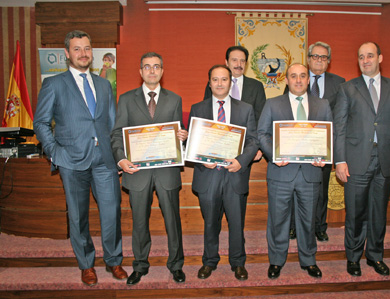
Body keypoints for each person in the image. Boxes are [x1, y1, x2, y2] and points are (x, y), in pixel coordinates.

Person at [33, 30, 127, 286]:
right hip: (71, 161)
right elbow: (40, 123)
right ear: (67, 53)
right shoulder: (54, 84)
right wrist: (54, 152)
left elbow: (112, 124)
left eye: (87, 48)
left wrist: (117, 156)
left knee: (111, 213)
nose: (83, 53)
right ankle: (86, 264)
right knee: (78, 216)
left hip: (104, 161)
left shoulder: (104, 84)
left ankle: (113, 260)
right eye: (77, 49)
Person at [333, 42, 390, 277]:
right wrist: (340, 160)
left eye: (370, 56)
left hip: (386, 159)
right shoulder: (347, 89)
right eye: (361, 57)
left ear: (380, 57)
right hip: (356, 160)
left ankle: (375, 256)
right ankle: (354, 257)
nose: (365, 60)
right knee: (355, 212)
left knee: (379, 211)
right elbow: (340, 128)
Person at [110, 52, 188, 285]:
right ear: (140, 71)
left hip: (167, 171)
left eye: (156, 67)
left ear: (162, 71)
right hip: (137, 172)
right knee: (139, 223)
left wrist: (182, 136)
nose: (152, 71)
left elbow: (177, 131)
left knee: (173, 221)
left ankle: (176, 265)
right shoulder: (125, 99)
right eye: (147, 67)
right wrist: (121, 159)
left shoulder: (174, 99)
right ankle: (140, 265)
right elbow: (116, 134)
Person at [258, 63, 332, 279]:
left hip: (310, 173)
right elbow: (262, 134)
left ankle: (308, 260)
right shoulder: (273, 104)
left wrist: (325, 157)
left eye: (302, 76)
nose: (298, 80)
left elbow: (329, 134)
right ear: (287, 80)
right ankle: (276, 261)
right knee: (278, 219)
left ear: (308, 79)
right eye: (293, 76)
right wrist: (275, 155)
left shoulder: (323, 104)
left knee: (308, 220)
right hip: (281, 172)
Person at [190, 65, 259, 281]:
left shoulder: (245, 109)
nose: (220, 84)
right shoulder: (197, 108)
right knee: (210, 221)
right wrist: (201, 159)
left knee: (236, 222)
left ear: (231, 82)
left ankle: (238, 262)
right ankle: (209, 261)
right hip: (208, 175)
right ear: (209, 83)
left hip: (234, 174)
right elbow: (193, 142)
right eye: (215, 80)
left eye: (224, 80)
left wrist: (241, 161)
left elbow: (253, 140)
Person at [284, 42, 345, 242]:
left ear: (329, 61)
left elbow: (341, 118)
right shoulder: (297, 80)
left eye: (324, 57)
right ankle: (293, 226)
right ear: (308, 59)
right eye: (315, 56)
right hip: (296, 146)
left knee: (321, 189)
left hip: (323, 147)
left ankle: (319, 226)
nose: (319, 60)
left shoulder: (340, 83)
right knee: (294, 187)